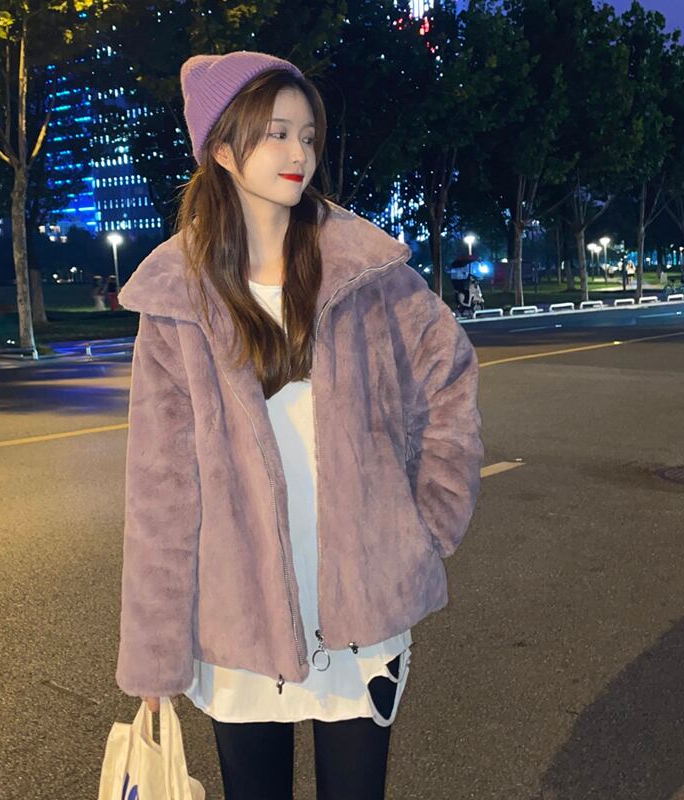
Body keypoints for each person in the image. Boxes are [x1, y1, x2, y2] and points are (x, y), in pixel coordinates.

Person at [115, 51, 484, 800]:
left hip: (362, 613)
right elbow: (160, 491)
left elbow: (448, 377)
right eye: (276, 133)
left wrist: (425, 524)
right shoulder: (178, 300)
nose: (299, 154)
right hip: (238, 625)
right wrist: (154, 652)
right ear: (223, 149)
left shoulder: (367, 274)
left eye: (308, 135)